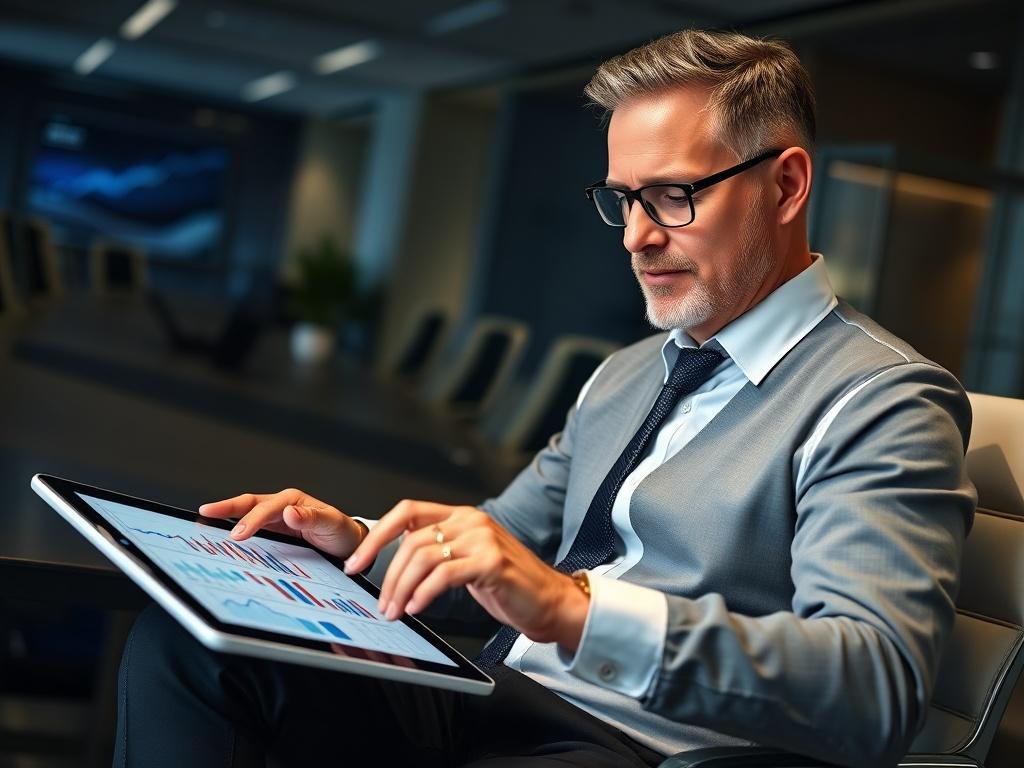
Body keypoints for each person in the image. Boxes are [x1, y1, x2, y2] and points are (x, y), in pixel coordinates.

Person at [114, 29, 976, 768]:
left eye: (675, 195)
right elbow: (498, 554)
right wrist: (357, 547)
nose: (639, 235)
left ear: (786, 187)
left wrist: (572, 610)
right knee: (190, 645)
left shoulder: (882, 401)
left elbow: (874, 687)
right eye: (624, 199)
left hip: (635, 744)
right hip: (493, 696)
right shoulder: (629, 373)